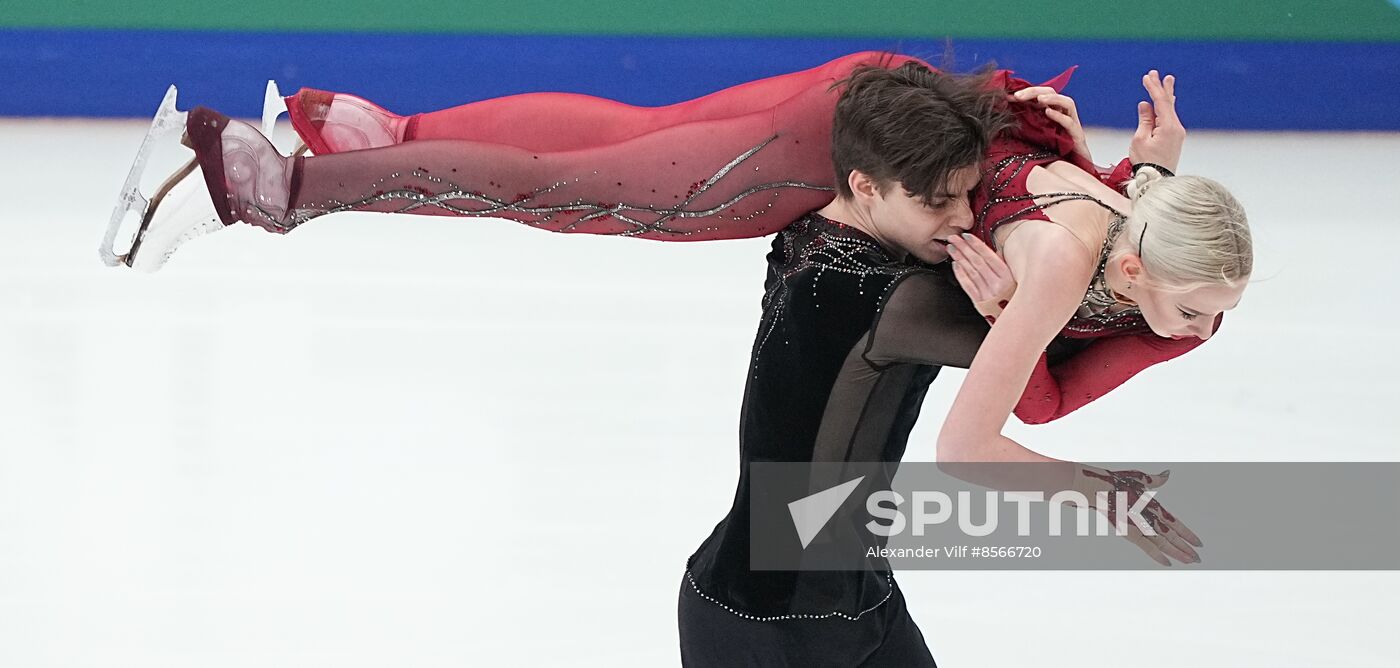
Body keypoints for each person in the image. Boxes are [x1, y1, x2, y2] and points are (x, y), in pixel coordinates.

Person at [104, 52, 1246, 665]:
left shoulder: (1121, 213)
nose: (1204, 333)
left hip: (893, 102)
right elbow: (997, 426)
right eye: (1197, 310)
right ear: (1139, 273)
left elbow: (1080, 274)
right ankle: (249, 177)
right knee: (580, 192)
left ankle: (382, 130)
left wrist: (1144, 174)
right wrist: (1105, 499)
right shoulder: (1051, 263)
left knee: (618, 134)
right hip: (858, 139)